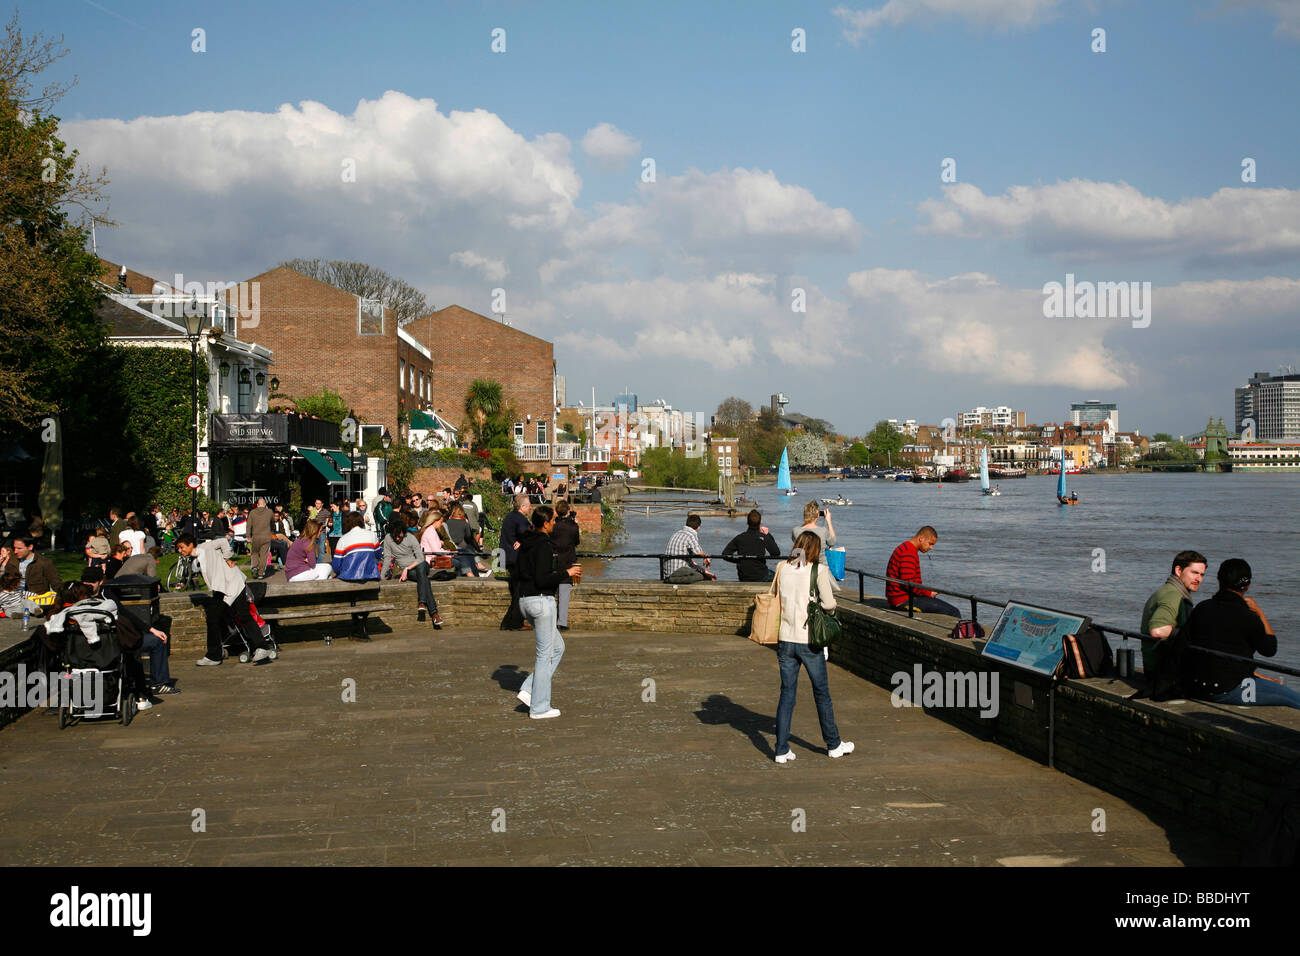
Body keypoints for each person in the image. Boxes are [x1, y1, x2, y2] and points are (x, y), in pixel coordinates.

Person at [774, 531, 854, 764]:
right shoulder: (818, 571)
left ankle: (781, 749)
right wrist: (829, 609)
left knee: (787, 695)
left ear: (797, 546)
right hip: (809, 641)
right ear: (815, 549)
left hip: (786, 639)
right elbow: (829, 604)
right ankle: (833, 744)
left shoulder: (782, 568)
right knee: (821, 693)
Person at [1182, 559, 1300, 709]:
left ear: (1219, 581)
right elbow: (1270, 649)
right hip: (1228, 690)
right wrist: (1260, 613)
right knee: (1293, 698)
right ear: (1247, 585)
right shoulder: (1247, 616)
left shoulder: (1202, 608)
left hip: (1196, 686)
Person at [514, 506, 582, 719]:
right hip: (541, 601)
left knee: (558, 648)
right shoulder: (543, 545)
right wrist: (566, 572)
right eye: (553, 520)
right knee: (544, 655)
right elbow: (543, 578)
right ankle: (539, 707)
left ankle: (528, 689)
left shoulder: (525, 543)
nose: (555, 523)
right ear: (545, 523)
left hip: (525, 600)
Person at [174, 533, 273, 666]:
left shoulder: (206, 547)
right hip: (221, 588)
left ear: (190, 544)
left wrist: (227, 557)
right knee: (213, 618)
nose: (180, 551)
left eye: (181, 547)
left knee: (243, 615)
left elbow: (223, 541)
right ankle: (213, 656)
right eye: (179, 549)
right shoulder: (196, 559)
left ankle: (262, 648)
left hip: (233, 584)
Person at [1139, 550, 1207, 679]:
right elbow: (1157, 630)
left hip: (1155, 668)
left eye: (1202, 575)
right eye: (1194, 573)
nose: (1199, 579)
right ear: (1178, 570)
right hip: (1162, 673)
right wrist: (1189, 634)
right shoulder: (1173, 596)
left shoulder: (1168, 590)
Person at [885, 526, 960, 616]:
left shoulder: (906, 548)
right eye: (930, 543)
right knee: (953, 612)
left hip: (900, 598)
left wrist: (926, 591)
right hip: (902, 601)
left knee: (941, 606)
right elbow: (908, 583)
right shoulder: (908, 552)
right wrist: (928, 593)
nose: (931, 547)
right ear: (921, 539)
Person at [382, 518, 442, 629]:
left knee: (421, 569)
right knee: (424, 579)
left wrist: (406, 569)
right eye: (395, 536)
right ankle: (434, 614)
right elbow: (387, 558)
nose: (397, 538)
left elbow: (420, 558)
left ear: (403, 533)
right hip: (410, 572)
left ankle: (422, 602)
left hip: (420, 565)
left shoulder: (410, 538)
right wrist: (382, 577)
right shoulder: (388, 539)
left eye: (399, 536)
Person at [500, 494, 533, 630]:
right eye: (529, 505)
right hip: (516, 559)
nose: (530, 508)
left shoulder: (509, 516)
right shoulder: (520, 519)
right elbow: (527, 533)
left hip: (506, 557)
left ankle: (513, 622)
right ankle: (511, 623)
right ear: (522, 506)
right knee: (520, 592)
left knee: (517, 591)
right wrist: (523, 540)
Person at [721, 509, 781, 582]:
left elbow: (725, 555)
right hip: (761, 575)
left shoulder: (740, 538)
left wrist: (740, 560)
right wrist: (768, 535)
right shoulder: (764, 537)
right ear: (760, 522)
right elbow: (776, 553)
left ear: (747, 522)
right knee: (780, 576)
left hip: (743, 576)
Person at [550, 499, 580, 630]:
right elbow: (576, 542)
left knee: (550, 594)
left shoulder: (553, 526)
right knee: (564, 593)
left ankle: (549, 620)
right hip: (568, 561)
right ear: (568, 511)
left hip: (553, 561)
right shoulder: (573, 526)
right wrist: (575, 523)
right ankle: (562, 622)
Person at [8, 535, 62, 603]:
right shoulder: (12, 560)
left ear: (30, 547)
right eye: (14, 548)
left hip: (37, 601)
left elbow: (57, 584)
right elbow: (5, 581)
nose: (15, 551)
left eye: (19, 548)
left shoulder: (44, 563)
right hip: (14, 599)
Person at [662, 514, 715, 583]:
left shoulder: (677, 533)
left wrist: (703, 570)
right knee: (700, 576)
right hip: (678, 570)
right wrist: (706, 556)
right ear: (699, 526)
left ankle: (670, 579)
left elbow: (689, 560)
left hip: (667, 571)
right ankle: (671, 580)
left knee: (702, 573)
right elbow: (699, 552)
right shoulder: (690, 535)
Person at [792, 501, 836, 579]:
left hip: (803, 568)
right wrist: (829, 521)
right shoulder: (823, 531)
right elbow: (832, 542)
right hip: (821, 568)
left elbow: (796, 541)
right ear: (818, 515)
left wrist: (806, 521)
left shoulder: (796, 530)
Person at [247, 497, 273, 581]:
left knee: (254, 553)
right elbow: (272, 522)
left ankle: (254, 567)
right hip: (266, 536)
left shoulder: (252, 512)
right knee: (264, 555)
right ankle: (261, 573)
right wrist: (271, 530)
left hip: (255, 536)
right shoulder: (269, 512)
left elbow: (249, 525)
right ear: (265, 504)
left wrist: (248, 536)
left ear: (257, 505)